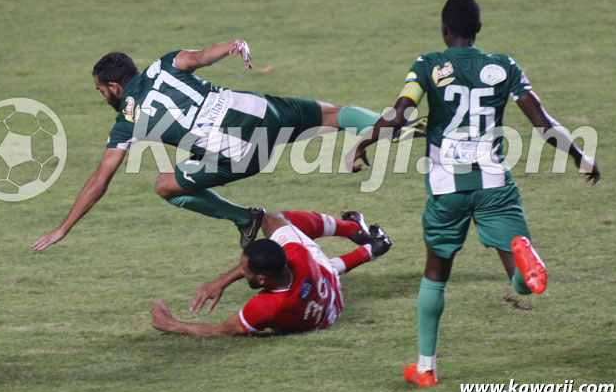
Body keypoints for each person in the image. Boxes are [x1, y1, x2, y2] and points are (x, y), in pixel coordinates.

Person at [352, 0, 600, 386]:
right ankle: (525, 265)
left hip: (446, 189)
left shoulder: (429, 64)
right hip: (494, 184)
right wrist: (579, 155)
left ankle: (426, 368)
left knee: (436, 274)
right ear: (478, 29)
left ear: (444, 29)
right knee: (520, 280)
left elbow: (400, 115)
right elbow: (542, 122)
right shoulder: (504, 66)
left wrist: (366, 140)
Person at [32, 40, 423, 251]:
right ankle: (395, 125)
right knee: (332, 114)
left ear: (115, 86)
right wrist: (234, 45)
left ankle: (245, 219)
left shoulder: (127, 119)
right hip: (259, 110)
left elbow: (100, 180)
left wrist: (64, 227)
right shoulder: (165, 64)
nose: (103, 98)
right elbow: (202, 56)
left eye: (101, 91)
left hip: (241, 152)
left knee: (165, 185)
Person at [148, 209, 392, 336]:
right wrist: (223, 280)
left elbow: (225, 330)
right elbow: (274, 236)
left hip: (325, 314)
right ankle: (362, 241)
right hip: (327, 290)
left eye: (245, 271)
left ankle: (361, 240)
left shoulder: (266, 307)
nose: (241, 272)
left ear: (262, 278)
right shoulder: (298, 254)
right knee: (275, 221)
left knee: (270, 220)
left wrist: (172, 325)